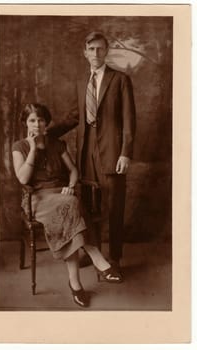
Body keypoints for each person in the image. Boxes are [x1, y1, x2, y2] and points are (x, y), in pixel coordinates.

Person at [12, 103, 122, 308]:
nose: (37, 124)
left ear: (47, 122)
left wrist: (71, 186)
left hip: (63, 198)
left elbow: (73, 171)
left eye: (41, 120)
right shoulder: (20, 147)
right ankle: (98, 259)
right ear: (25, 123)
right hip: (37, 200)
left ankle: (76, 284)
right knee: (72, 205)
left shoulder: (56, 144)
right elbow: (23, 178)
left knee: (70, 204)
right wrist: (34, 148)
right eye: (32, 120)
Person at [47, 32, 136, 272]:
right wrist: (47, 134)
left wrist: (125, 153)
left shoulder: (120, 80)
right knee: (88, 207)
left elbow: (129, 120)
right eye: (91, 49)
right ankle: (94, 253)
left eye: (99, 49)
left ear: (106, 51)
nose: (95, 53)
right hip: (86, 154)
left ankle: (114, 259)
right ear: (84, 52)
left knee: (114, 207)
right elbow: (74, 117)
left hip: (112, 152)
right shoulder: (81, 82)